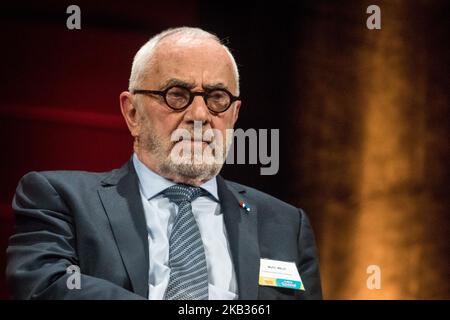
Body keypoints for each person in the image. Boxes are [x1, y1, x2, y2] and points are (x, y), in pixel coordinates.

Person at [6, 27, 322, 300]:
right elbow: (44, 286)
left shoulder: (285, 224)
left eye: (217, 98)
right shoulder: (60, 198)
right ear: (132, 113)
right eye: (176, 94)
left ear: (235, 115)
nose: (200, 115)